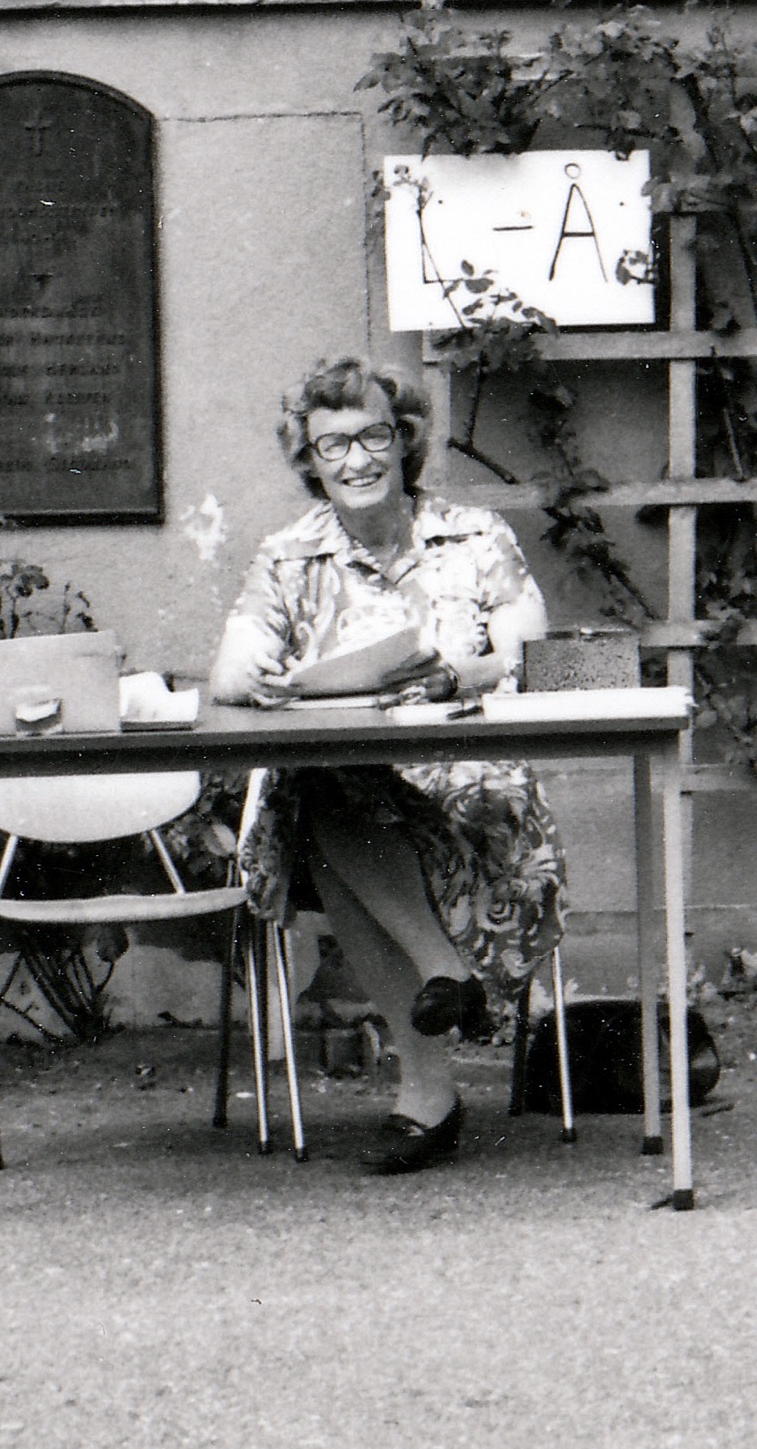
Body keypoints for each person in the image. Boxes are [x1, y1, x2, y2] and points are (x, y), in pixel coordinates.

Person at [206, 357, 559, 1174]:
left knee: (331, 827)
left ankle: (429, 1092)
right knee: (325, 789)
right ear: (311, 461)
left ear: (404, 443)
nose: (356, 460)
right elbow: (230, 668)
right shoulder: (288, 558)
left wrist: (456, 672)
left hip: (475, 793)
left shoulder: (477, 537)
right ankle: (441, 985)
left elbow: (535, 652)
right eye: (333, 445)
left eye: (372, 436)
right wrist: (252, 676)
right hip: (350, 791)